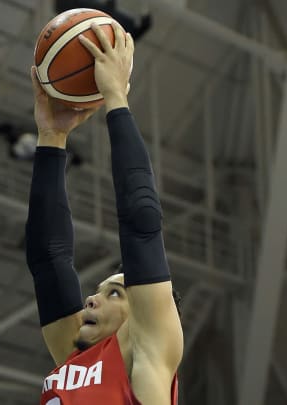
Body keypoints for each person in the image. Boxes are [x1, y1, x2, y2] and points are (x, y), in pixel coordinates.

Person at [25, 21, 183, 405]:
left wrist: (115, 97)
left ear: (145, 314)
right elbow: (49, 259)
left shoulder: (147, 349)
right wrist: (51, 137)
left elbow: (142, 224)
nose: (90, 301)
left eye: (114, 293)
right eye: (98, 292)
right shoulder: (74, 358)